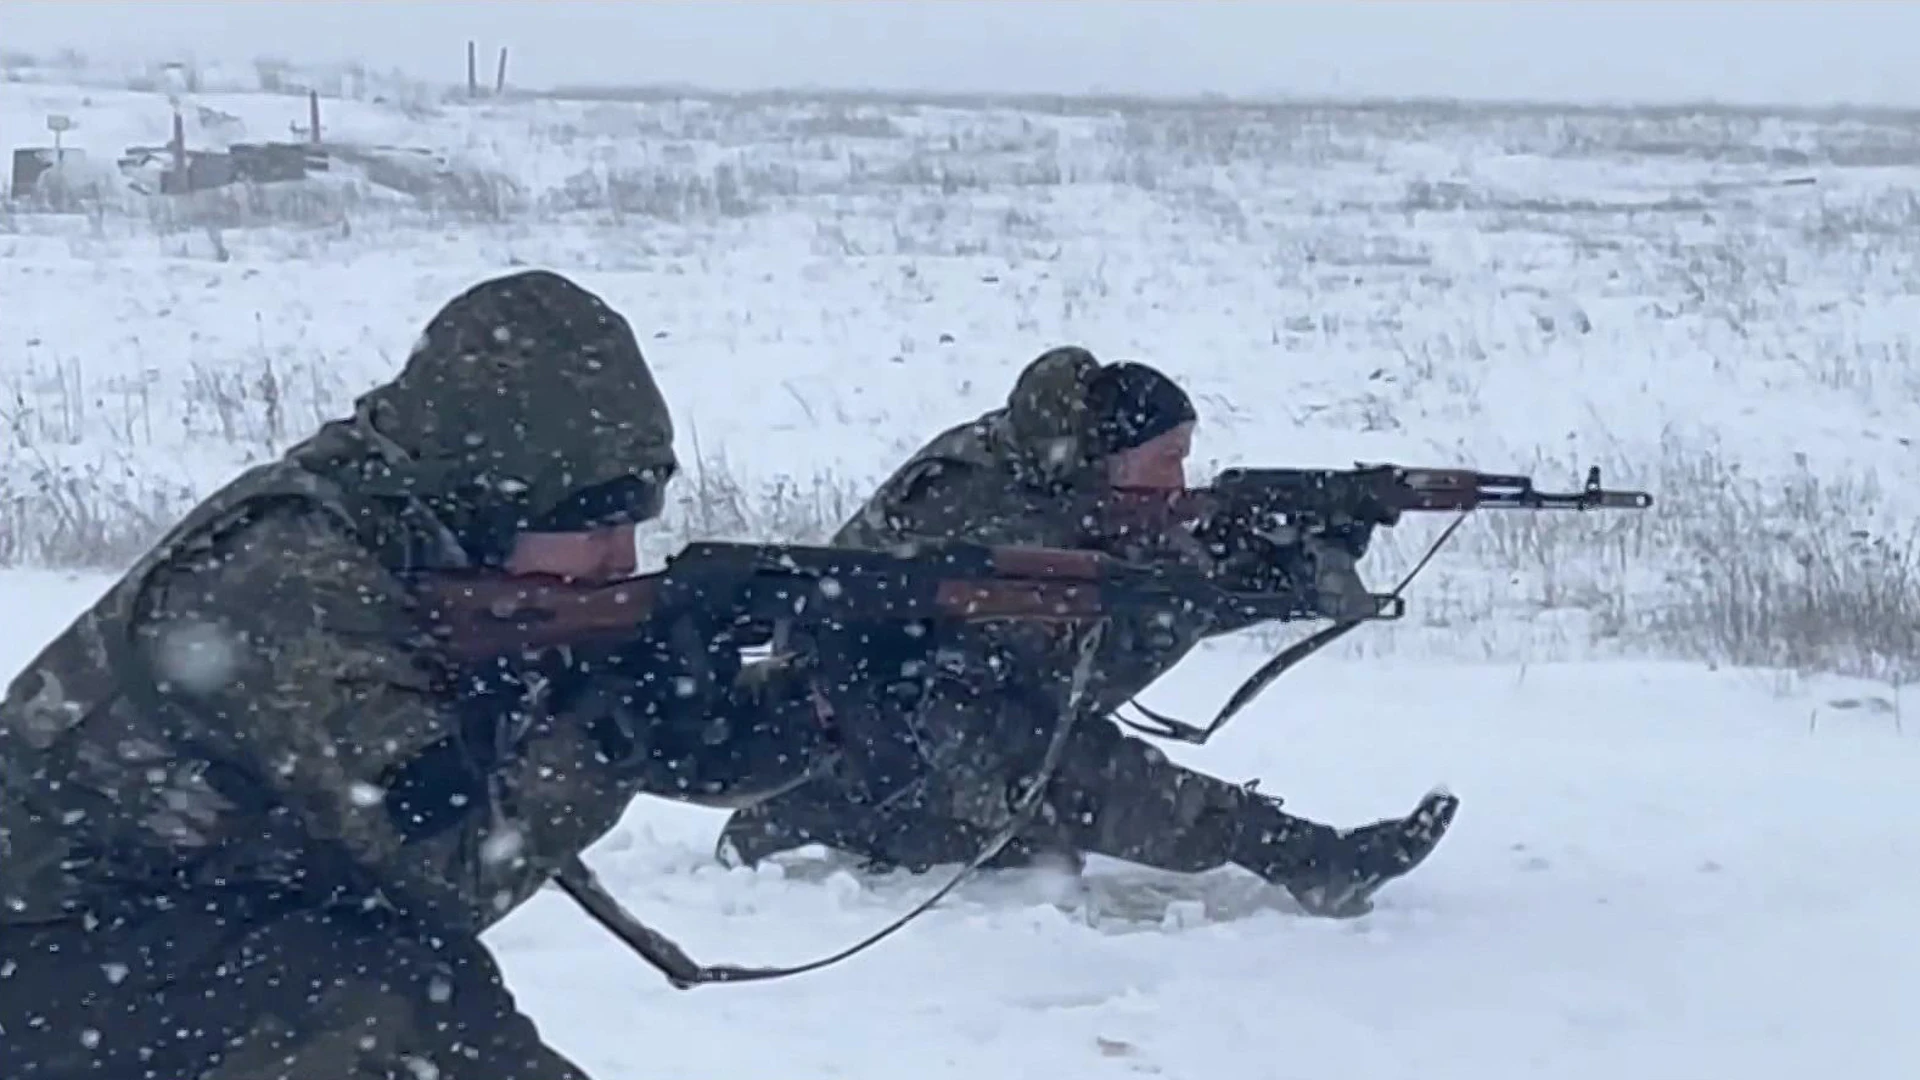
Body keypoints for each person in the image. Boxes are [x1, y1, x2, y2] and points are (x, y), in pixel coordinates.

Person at [0, 270, 839, 1080]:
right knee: (389, 1007)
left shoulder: (450, 555)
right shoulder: (294, 578)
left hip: (203, 923)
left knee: (421, 992)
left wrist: (830, 699)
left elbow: (689, 748)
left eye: (635, 519)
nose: (620, 556)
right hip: (52, 950)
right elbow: (454, 861)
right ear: (491, 495)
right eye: (590, 520)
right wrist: (615, 723)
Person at [716, 346, 1459, 919]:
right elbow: (1074, 643)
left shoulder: (1057, 481)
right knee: (1061, 770)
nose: (1179, 481)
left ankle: (908, 820)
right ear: (1106, 459)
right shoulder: (981, 502)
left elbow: (1158, 589)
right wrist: (1225, 578)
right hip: (866, 715)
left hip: (940, 691)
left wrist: (1300, 555)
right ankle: (1301, 857)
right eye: (1166, 460)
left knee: (1036, 839)